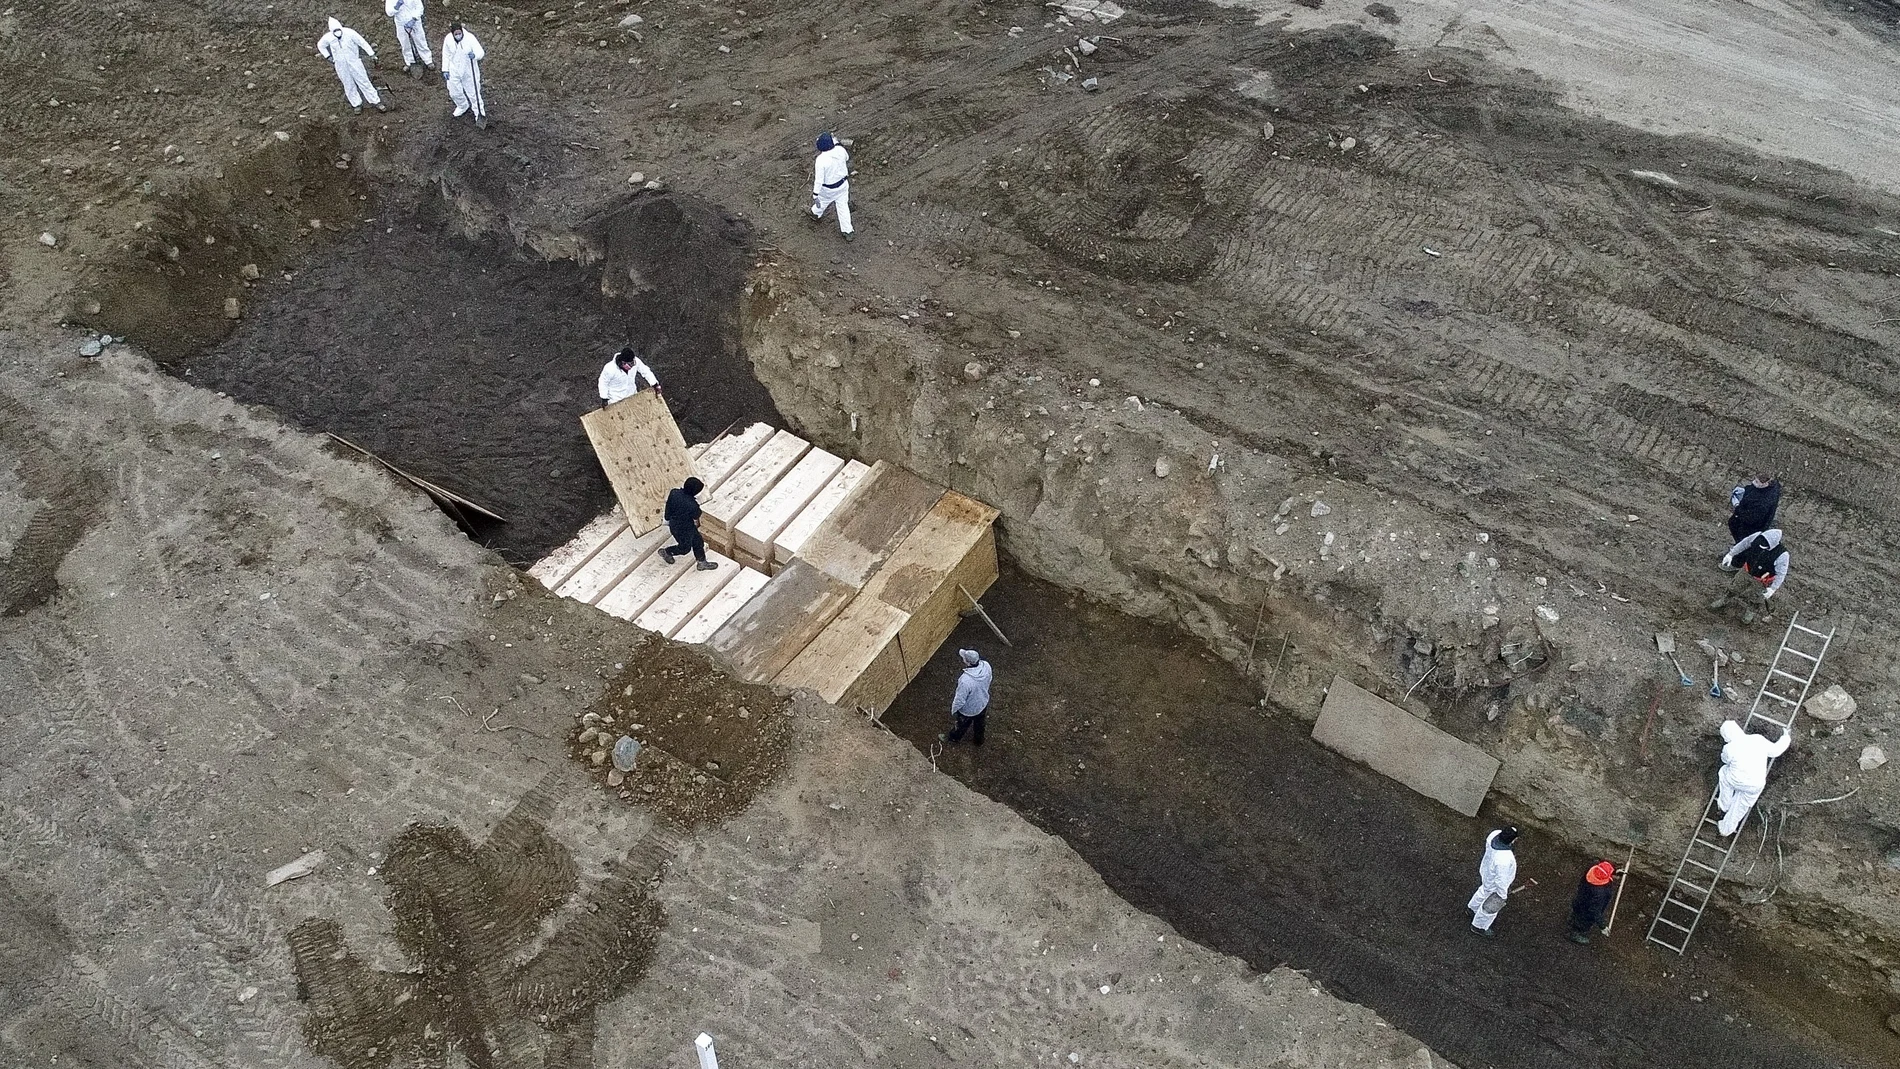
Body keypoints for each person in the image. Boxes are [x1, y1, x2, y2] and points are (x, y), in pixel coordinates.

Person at [1716, 718, 1790, 836]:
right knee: (1741, 806)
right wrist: (1786, 737)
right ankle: (1725, 829)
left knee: (1723, 772)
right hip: (1755, 785)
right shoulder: (1757, 740)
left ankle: (1724, 804)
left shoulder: (1729, 748)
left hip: (1735, 780)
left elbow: (1725, 760)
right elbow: (1776, 751)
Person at [316, 18, 386, 115]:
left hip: (354, 61)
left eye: (338, 30)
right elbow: (320, 45)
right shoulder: (328, 38)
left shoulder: (350, 33)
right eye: (334, 31)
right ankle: (356, 104)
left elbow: (362, 42)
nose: (337, 33)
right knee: (348, 84)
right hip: (340, 64)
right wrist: (328, 56)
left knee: (363, 80)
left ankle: (376, 101)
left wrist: (371, 54)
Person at [1713, 529, 1789, 608]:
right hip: (1746, 570)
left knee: (1756, 598)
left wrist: (1773, 588)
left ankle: (1750, 612)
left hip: (1762, 580)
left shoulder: (1782, 555)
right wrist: (1731, 554)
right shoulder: (1756, 537)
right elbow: (1744, 543)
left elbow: (1781, 573)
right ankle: (1724, 600)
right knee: (1734, 587)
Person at [1466, 826, 1518, 935]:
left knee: (1484, 890)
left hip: (1487, 873)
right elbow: (1501, 879)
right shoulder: (1505, 859)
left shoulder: (1494, 834)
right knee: (1491, 907)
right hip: (1495, 883)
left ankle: (1472, 909)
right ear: (1513, 840)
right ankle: (1479, 926)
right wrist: (1502, 894)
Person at [659, 478, 716, 571]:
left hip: (676, 525)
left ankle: (702, 562)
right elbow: (697, 514)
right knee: (685, 548)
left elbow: (668, 507)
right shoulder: (692, 505)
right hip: (683, 529)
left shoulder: (674, 493)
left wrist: (667, 517)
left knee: (698, 542)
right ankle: (666, 552)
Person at [939, 649, 992, 745]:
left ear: (967, 662)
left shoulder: (965, 680)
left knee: (961, 725)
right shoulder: (986, 666)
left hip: (968, 710)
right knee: (980, 723)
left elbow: (960, 699)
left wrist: (954, 709)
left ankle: (954, 738)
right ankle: (979, 741)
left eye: (963, 658)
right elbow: (989, 679)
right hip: (983, 703)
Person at [441, 22, 487, 128]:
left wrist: (475, 55)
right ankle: (462, 105)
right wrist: (445, 69)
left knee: (473, 93)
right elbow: (446, 55)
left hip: (468, 70)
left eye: (459, 33)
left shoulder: (470, 38)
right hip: (454, 69)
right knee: (454, 92)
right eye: (456, 34)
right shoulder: (448, 39)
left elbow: (480, 52)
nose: (458, 35)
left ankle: (479, 113)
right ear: (452, 33)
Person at [810, 132, 854, 240]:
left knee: (823, 201)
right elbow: (847, 158)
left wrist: (815, 194)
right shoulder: (840, 150)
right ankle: (848, 231)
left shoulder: (820, 160)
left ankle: (816, 213)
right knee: (843, 207)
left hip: (828, 189)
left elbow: (819, 180)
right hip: (843, 185)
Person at [1566, 860, 1618, 944]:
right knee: (1584, 921)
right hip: (1587, 910)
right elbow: (1595, 910)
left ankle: (1572, 921)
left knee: (1577, 911)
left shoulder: (1592, 869)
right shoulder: (1599, 893)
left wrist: (1614, 871)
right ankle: (1574, 934)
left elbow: (1604, 868)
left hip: (1580, 900)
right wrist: (1603, 926)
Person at [1727, 473, 1780, 544]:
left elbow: (1749, 518)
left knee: (1743, 540)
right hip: (1749, 519)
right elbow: (1754, 488)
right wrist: (1744, 490)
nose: (1754, 482)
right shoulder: (1770, 487)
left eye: (1757, 482)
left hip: (1753, 527)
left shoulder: (1764, 502)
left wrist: (1737, 506)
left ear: (1765, 483)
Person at [386, 0, 433, 73]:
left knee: (420, 41)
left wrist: (414, 19)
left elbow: (420, 7)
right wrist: (396, 7)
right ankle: (409, 62)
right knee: (405, 44)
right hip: (401, 24)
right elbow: (389, 13)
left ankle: (428, 60)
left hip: (414, 22)